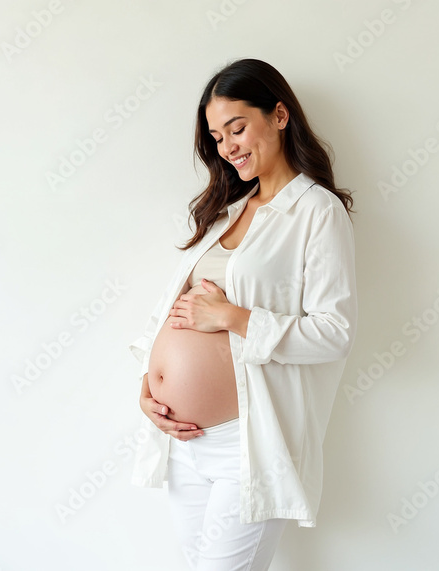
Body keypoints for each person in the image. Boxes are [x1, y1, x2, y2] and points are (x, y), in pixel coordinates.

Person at [128, 58, 358, 570]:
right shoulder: (225, 211)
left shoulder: (317, 212)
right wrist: (149, 384)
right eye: (216, 137)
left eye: (237, 128)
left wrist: (234, 317)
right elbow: (171, 310)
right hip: (183, 444)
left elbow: (335, 333)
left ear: (279, 115)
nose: (227, 147)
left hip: (246, 445)